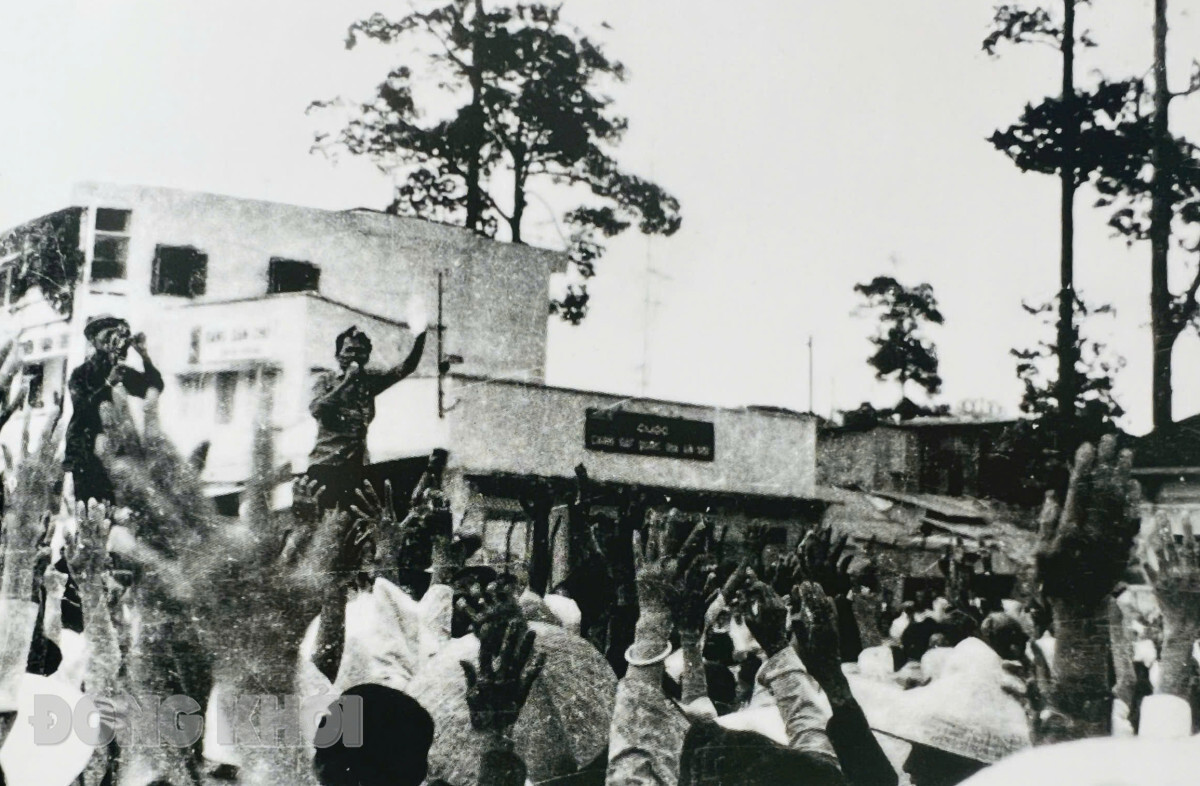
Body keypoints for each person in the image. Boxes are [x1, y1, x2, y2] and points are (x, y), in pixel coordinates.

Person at [306, 317, 427, 513]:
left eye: (360, 351)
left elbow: (405, 368)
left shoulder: (367, 383)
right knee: (331, 521)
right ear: (338, 355)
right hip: (326, 467)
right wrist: (347, 382)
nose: (355, 356)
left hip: (356, 468)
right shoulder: (325, 380)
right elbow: (316, 409)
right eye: (349, 350)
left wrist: (421, 336)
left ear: (367, 356)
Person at [65, 315, 163, 504]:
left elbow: (154, 386)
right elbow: (82, 409)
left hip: (116, 449)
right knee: (90, 508)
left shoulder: (120, 370)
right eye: (107, 335)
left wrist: (144, 355)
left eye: (115, 335)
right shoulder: (81, 373)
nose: (112, 340)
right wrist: (108, 383)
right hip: (86, 450)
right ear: (93, 340)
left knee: (119, 506)